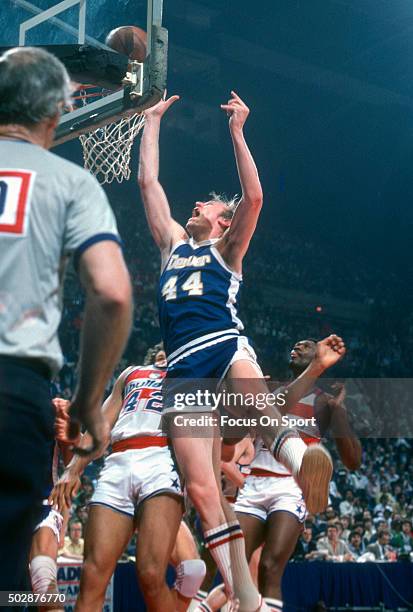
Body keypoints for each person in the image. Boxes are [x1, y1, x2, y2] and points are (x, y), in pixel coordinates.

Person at [138, 90, 346, 611]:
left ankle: (302, 460)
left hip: (223, 344)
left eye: (205, 204)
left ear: (222, 221)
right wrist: (151, 121)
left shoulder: (228, 250)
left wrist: (237, 133)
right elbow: (147, 182)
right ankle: (245, 598)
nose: (194, 206)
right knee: (204, 492)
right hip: (183, 372)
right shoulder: (170, 245)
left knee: (255, 397)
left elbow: (253, 199)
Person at [0, 46, 132, 592]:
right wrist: (87, 401)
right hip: (13, 395)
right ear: (56, 114)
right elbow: (111, 293)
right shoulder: (70, 183)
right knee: (9, 579)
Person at [50, 346, 205, 612]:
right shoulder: (131, 374)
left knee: (151, 574)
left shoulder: (190, 378)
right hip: (118, 462)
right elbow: (101, 426)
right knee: (93, 576)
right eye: (161, 350)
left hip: (161, 459)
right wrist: (73, 468)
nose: (166, 352)